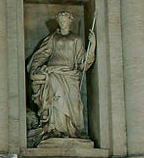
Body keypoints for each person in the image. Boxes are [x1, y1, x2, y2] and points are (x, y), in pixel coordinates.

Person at [27, 10, 96, 142]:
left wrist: (92, 45)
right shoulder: (53, 38)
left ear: (70, 22)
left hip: (70, 75)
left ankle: (71, 130)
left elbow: (83, 62)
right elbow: (42, 55)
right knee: (55, 99)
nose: (63, 23)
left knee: (74, 102)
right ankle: (55, 129)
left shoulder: (76, 39)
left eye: (65, 21)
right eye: (61, 21)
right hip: (53, 73)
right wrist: (35, 69)